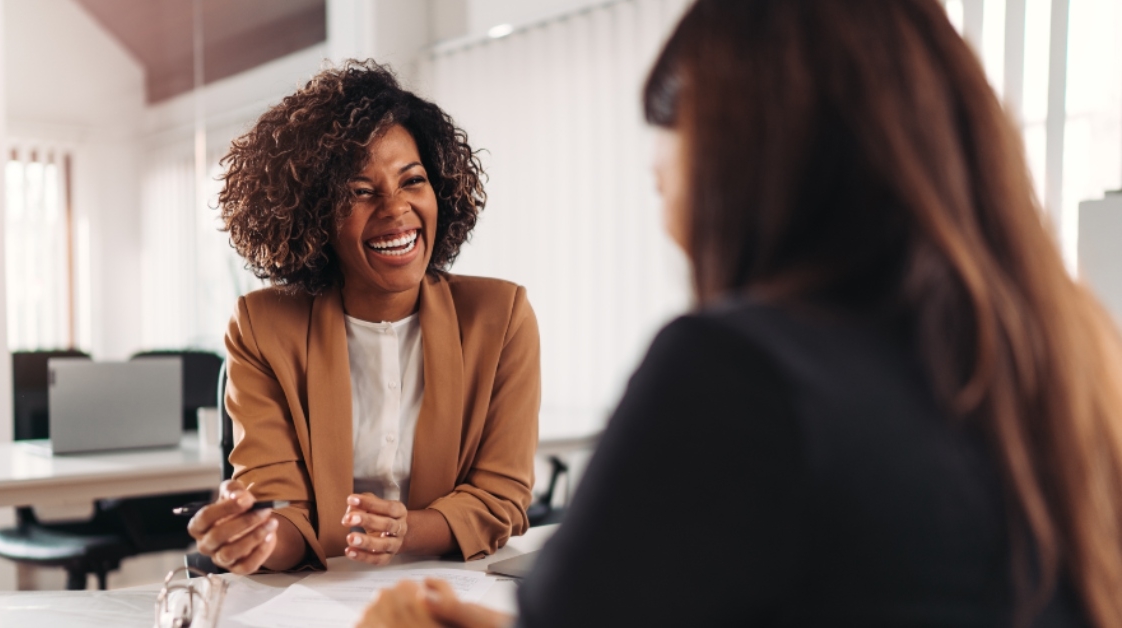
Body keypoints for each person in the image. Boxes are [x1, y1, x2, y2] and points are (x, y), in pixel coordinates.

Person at [357, 0, 1122, 626]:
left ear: (740, 166)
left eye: (665, 178)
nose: (667, 219)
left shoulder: (740, 373)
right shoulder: (1070, 359)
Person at [187, 61, 540, 574]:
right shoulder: (263, 326)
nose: (396, 209)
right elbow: (282, 511)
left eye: (412, 180)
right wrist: (254, 537)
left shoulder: (500, 317)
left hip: (448, 586)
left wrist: (405, 532)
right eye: (359, 191)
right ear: (313, 214)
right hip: (317, 597)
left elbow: (500, 497)